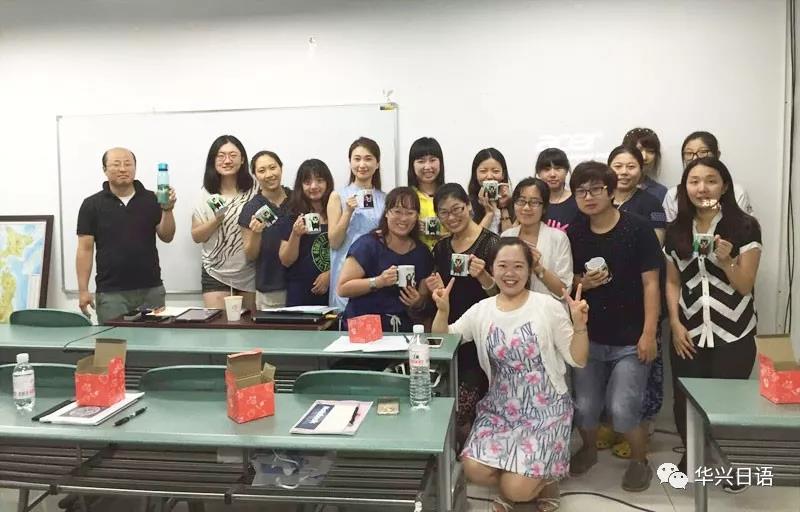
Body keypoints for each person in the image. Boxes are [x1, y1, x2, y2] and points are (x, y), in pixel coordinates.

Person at [431, 237, 589, 512]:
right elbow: (444, 340)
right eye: (503, 266)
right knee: (472, 468)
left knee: (517, 489)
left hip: (546, 410)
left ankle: (543, 482)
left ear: (529, 270)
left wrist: (580, 326)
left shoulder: (547, 306)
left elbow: (578, 359)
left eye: (518, 266)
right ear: (492, 269)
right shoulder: (483, 310)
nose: (510, 273)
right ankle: (519, 478)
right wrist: (442, 312)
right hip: (500, 408)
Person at [566, 161, 661, 492]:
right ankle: (589, 449)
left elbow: (651, 283)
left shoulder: (638, 228)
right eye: (581, 191)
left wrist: (649, 333)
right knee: (585, 407)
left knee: (623, 408)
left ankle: (640, 460)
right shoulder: (574, 233)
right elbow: (567, 280)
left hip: (631, 339)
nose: (589, 196)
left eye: (596, 189)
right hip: (588, 338)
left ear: (610, 191)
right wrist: (583, 283)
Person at [665, 157, 761, 487]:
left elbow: (745, 285)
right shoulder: (676, 230)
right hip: (689, 329)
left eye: (711, 180)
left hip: (733, 331)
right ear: (685, 188)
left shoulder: (744, 226)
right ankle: (692, 453)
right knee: (685, 400)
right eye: (694, 181)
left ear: (725, 186)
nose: (702, 188)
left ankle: (731, 460)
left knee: (730, 402)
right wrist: (675, 324)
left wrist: (728, 261)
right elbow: (672, 281)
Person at [598, 145, 667, 459]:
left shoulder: (650, 203)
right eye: (618, 165)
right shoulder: (600, 199)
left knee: (641, 371)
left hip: (640, 298)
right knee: (604, 371)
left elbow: (654, 251)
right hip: (604, 301)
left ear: (641, 170)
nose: (624, 172)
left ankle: (639, 431)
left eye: (630, 166)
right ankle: (611, 425)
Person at [424, 183, 499, 450]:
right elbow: (441, 294)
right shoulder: (442, 248)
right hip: (451, 332)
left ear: (469, 206)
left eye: (457, 209)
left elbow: (506, 297)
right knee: (451, 402)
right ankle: (464, 453)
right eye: (444, 213)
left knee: (471, 403)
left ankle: (478, 452)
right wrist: (435, 289)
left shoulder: (492, 244)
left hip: (483, 335)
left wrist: (485, 277)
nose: (452, 217)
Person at [76, 147, 176, 323]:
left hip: (151, 289)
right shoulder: (91, 204)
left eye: (128, 164)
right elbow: (85, 249)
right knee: (112, 340)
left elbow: (167, 236)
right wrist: (83, 290)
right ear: (104, 169)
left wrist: (167, 209)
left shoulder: (152, 198)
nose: (123, 169)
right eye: (116, 164)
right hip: (111, 293)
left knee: (155, 340)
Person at [337, 187, 434, 333]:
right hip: (364, 330)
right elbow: (343, 288)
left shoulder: (422, 253)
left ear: (416, 217)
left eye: (410, 213)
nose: (403, 218)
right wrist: (379, 281)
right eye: (397, 211)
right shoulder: (367, 245)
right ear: (387, 212)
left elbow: (423, 298)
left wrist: (417, 301)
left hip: (403, 330)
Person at [191, 135, 257, 312]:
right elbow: (196, 236)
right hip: (215, 272)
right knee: (219, 326)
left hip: (250, 272)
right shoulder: (205, 194)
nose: (227, 160)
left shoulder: (255, 190)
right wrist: (217, 219)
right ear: (213, 161)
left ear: (242, 159)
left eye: (233, 155)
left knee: (249, 327)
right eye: (221, 156)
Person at [328, 137, 386, 310]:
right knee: (348, 319)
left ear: (377, 163)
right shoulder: (338, 196)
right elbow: (334, 242)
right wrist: (348, 212)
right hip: (346, 271)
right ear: (350, 162)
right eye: (357, 159)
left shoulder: (385, 199)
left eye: (368, 159)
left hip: (377, 271)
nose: (362, 164)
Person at [502, 178, 573, 298]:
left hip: (549, 308)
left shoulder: (558, 238)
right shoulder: (506, 236)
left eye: (534, 202)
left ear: (544, 207)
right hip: (513, 306)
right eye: (521, 201)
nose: (526, 208)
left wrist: (538, 268)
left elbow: (564, 291)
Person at [239, 150, 292, 309]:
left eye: (272, 167)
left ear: (281, 168)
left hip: (303, 284)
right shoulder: (251, 208)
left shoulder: (298, 199)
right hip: (271, 288)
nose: (269, 174)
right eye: (262, 170)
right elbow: (250, 255)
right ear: (255, 175)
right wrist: (256, 233)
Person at [663, 131, 754, 222]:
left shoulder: (737, 193)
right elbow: (670, 228)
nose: (695, 158)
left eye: (703, 152)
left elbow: (744, 227)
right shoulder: (673, 195)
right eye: (689, 153)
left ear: (717, 154)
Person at [278, 159, 333, 307]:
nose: (314, 186)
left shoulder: (337, 211)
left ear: (327, 183)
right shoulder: (292, 214)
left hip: (333, 291)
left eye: (319, 181)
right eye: (308, 182)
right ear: (300, 186)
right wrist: (295, 234)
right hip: (300, 293)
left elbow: (346, 254)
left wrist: (331, 274)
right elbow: (286, 260)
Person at [408, 137, 448, 250]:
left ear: (440, 162)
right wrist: (412, 228)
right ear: (412, 165)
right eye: (421, 161)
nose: (427, 167)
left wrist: (444, 235)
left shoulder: (451, 195)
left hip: (446, 256)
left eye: (432, 160)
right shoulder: (406, 198)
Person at [468, 148, 514, 235]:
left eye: (495, 171)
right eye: (483, 171)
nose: (489, 176)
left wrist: (504, 207)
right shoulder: (467, 204)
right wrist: (489, 213)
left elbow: (509, 239)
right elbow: (473, 240)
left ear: (503, 175)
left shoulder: (515, 203)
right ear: (475, 174)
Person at [535, 148, 579, 232]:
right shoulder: (532, 202)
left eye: (558, 168)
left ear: (566, 171)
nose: (552, 174)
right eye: (547, 169)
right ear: (538, 173)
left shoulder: (578, 200)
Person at [622, 128, 668, 203]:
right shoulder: (609, 187)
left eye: (650, 151)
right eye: (639, 150)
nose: (644, 157)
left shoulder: (660, 192)